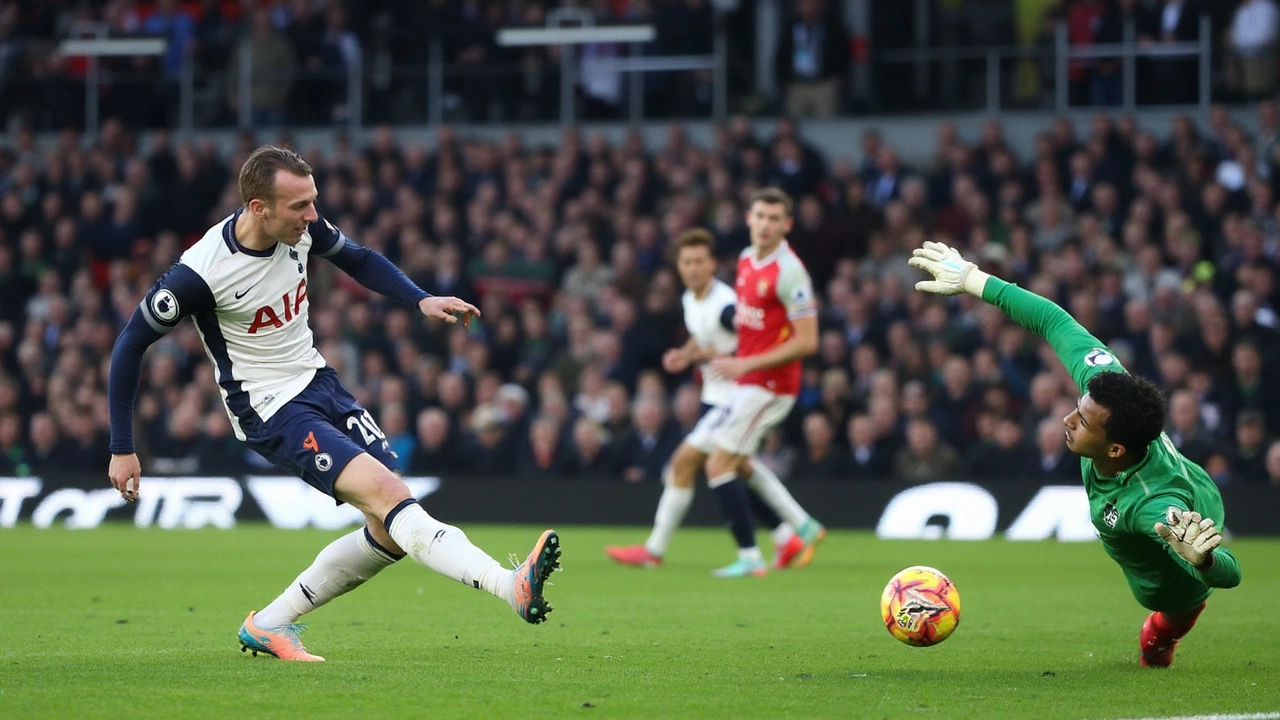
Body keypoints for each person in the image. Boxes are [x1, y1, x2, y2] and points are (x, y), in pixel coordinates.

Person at [106, 146, 561, 662]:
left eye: (313, 201)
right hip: (270, 406)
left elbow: (360, 259)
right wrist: (123, 446)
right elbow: (129, 344)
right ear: (259, 208)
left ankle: (270, 623)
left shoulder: (301, 230)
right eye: (300, 205)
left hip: (320, 382)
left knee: (388, 527)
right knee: (391, 495)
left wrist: (420, 299)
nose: (313, 217)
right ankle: (509, 586)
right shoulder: (200, 273)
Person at [909, 241, 1241, 667]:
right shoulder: (1107, 389)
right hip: (1178, 484)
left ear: (1115, 448)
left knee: (1165, 620)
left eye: (1082, 422)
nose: (1067, 419)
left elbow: (1231, 574)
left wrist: (1206, 558)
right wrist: (973, 279)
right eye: (1077, 408)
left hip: (1170, 576)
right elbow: (1053, 321)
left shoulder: (1155, 508)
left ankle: (1163, 635)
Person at [605, 229, 825, 573]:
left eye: (699, 262)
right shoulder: (692, 300)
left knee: (687, 463)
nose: (693, 268)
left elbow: (750, 341)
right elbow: (702, 335)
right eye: (687, 262)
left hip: (737, 396)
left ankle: (658, 550)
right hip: (717, 397)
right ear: (679, 266)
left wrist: (706, 357)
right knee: (739, 466)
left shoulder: (726, 305)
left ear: (711, 265)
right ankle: (793, 531)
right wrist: (686, 353)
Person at [699, 188, 827, 578]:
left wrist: (745, 364)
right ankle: (799, 528)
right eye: (760, 216)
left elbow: (808, 341)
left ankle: (751, 557)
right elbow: (752, 323)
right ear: (749, 218)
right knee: (739, 462)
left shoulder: (790, 272)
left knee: (719, 464)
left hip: (770, 386)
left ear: (787, 225)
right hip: (748, 379)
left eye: (775, 218)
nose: (766, 224)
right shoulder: (744, 259)